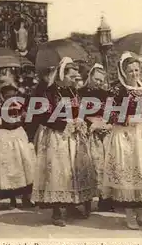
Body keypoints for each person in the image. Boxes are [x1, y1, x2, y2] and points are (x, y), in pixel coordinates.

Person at [101, 52, 142, 230]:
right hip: (126, 135)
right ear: (124, 72)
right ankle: (129, 215)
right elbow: (108, 113)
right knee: (129, 173)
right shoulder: (117, 90)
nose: (134, 74)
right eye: (130, 71)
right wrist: (127, 119)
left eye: (137, 70)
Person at [31, 57, 97, 227]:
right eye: (71, 77)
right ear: (62, 74)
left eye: (76, 78)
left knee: (72, 172)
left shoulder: (73, 91)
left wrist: (81, 121)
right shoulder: (48, 92)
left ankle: (71, 205)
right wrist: (64, 124)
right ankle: (56, 211)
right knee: (59, 172)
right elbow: (42, 116)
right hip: (56, 136)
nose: (74, 80)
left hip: (73, 136)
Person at [0, 81, 35, 209]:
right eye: (7, 96)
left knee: (25, 165)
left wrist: (23, 118)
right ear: (2, 96)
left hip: (19, 135)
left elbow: (28, 120)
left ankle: (26, 198)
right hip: (5, 137)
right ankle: (12, 199)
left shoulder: (21, 105)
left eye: (13, 95)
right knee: (8, 167)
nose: (11, 98)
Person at [79, 63, 113, 212]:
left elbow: (110, 113)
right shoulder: (80, 93)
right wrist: (89, 122)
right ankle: (86, 201)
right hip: (88, 132)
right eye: (96, 79)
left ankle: (104, 199)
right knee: (90, 165)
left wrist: (103, 123)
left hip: (103, 132)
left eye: (101, 80)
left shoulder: (106, 94)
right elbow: (78, 113)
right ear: (90, 76)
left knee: (104, 166)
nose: (98, 82)